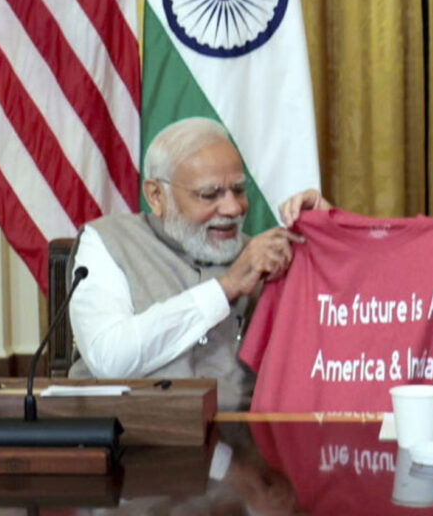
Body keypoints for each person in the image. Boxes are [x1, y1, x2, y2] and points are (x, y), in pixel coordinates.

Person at [68, 117, 327, 409]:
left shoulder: (265, 257)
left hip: (240, 443)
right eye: (209, 194)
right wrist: (225, 288)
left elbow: (341, 337)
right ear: (156, 195)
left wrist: (327, 237)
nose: (232, 208)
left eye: (239, 191)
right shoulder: (108, 241)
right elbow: (110, 360)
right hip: (130, 439)